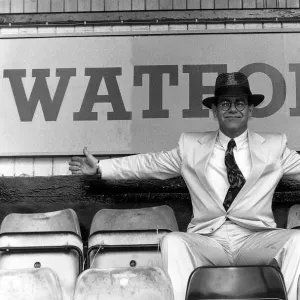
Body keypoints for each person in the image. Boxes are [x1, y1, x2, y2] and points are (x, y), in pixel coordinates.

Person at [69, 72, 300, 300]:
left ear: (251, 109)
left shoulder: (274, 146)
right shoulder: (190, 145)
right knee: (173, 242)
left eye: (240, 103)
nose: (232, 109)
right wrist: (101, 168)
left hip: (255, 238)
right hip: (209, 241)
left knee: (297, 240)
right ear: (214, 111)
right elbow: (149, 163)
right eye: (225, 103)